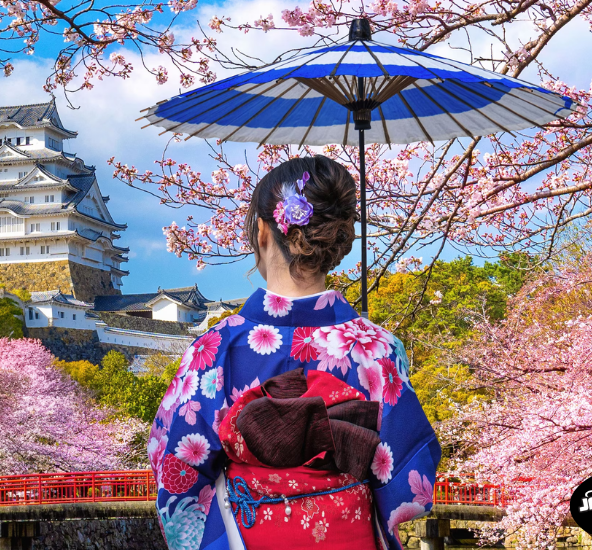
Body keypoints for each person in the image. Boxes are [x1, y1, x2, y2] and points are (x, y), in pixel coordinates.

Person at [149, 157, 439, 550]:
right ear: (332, 241)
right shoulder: (378, 349)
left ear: (264, 233)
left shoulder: (215, 350)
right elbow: (409, 483)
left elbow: (175, 469)